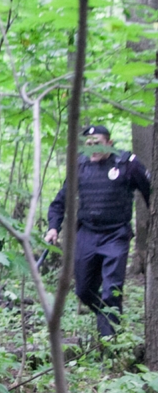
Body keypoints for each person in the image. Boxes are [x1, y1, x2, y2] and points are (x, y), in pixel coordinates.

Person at [45, 124, 150, 337]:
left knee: (111, 290)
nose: (93, 148)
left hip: (116, 235)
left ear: (109, 144)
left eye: (98, 143)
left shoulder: (126, 163)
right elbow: (59, 202)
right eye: (89, 144)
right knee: (83, 290)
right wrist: (53, 227)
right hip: (87, 234)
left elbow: (151, 192)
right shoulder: (80, 167)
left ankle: (109, 340)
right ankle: (109, 319)